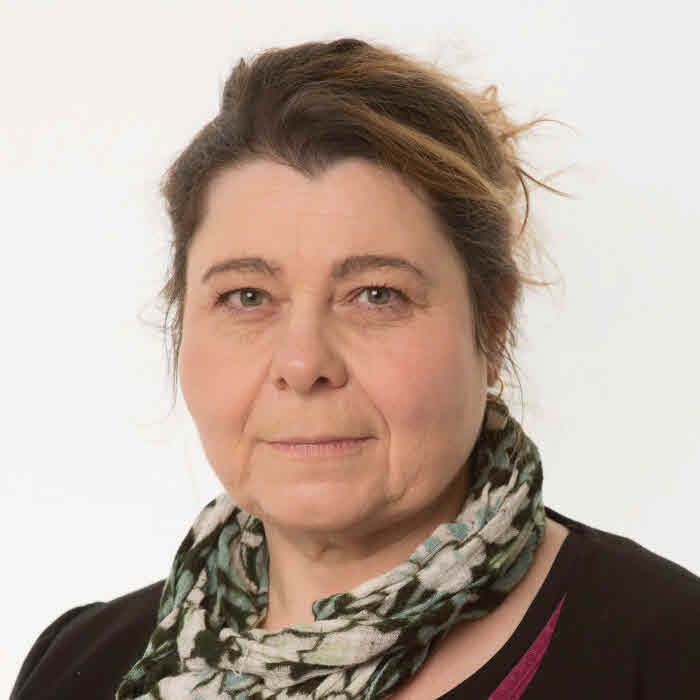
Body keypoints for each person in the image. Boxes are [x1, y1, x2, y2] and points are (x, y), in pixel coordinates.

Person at [10, 37, 700, 700]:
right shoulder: (80, 665)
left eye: (376, 295)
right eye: (246, 297)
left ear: (493, 326)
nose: (303, 363)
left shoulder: (667, 653)